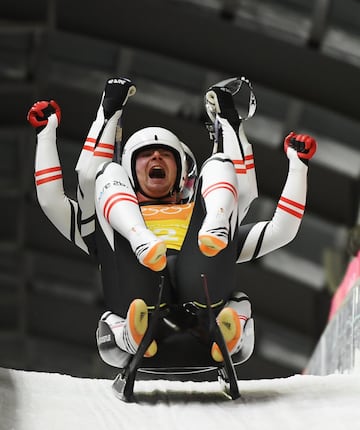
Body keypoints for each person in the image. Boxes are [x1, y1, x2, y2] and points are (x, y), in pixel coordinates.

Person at [27, 76, 317, 367]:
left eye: (166, 155)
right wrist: (52, 132)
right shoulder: (104, 224)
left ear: (180, 173)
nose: (156, 157)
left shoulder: (199, 219)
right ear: (131, 170)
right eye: (146, 155)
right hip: (137, 288)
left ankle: (215, 227)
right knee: (106, 173)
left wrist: (297, 166)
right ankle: (138, 257)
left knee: (219, 165)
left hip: (201, 277)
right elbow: (57, 197)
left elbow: (282, 229)